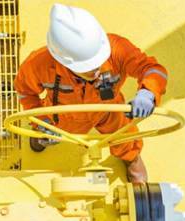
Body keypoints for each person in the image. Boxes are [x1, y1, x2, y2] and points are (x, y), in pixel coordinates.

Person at [14, 3, 168, 183]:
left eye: (98, 61)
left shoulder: (117, 48)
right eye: (87, 68)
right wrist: (44, 121)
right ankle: (40, 137)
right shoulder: (38, 64)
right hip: (62, 115)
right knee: (44, 133)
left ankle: (130, 157)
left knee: (124, 136)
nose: (95, 71)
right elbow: (25, 92)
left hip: (108, 110)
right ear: (63, 61)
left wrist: (148, 92)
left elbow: (151, 69)